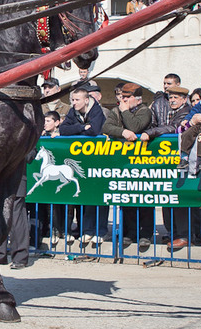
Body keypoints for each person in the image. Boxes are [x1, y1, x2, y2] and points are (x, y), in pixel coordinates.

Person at [140, 85, 197, 250]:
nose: (172, 100)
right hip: (167, 162)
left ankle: (184, 235)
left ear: (184, 99)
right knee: (167, 197)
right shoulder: (166, 110)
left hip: (183, 161)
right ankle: (173, 233)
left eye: (176, 98)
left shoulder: (187, 111)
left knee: (179, 198)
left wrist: (152, 133)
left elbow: (174, 128)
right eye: (170, 97)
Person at [103, 82, 153, 249]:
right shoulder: (115, 111)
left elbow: (136, 126)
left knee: (145, 198)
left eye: (126, 98)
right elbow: (107, 126)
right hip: (124, 162)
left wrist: (125, 113)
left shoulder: (145, 111)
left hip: (143, 161)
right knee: (127, 197)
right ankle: (129, 233)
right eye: (121, 97)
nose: (122, 100)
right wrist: (122, 132)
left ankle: (146, 233)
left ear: (137, 99)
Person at [59, 87, 105, 246]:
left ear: (86, 100)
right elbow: (63, 130)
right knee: (79, 196)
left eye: (77, 100)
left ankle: (96, 231)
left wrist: (81, 131)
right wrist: (80, 128)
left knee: (95, 197)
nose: (74, 103)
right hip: (79, 160)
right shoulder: (73, 111)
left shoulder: (96, 110)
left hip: (97, 160)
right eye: (72, 100)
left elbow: (95, 130)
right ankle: (83, 229)